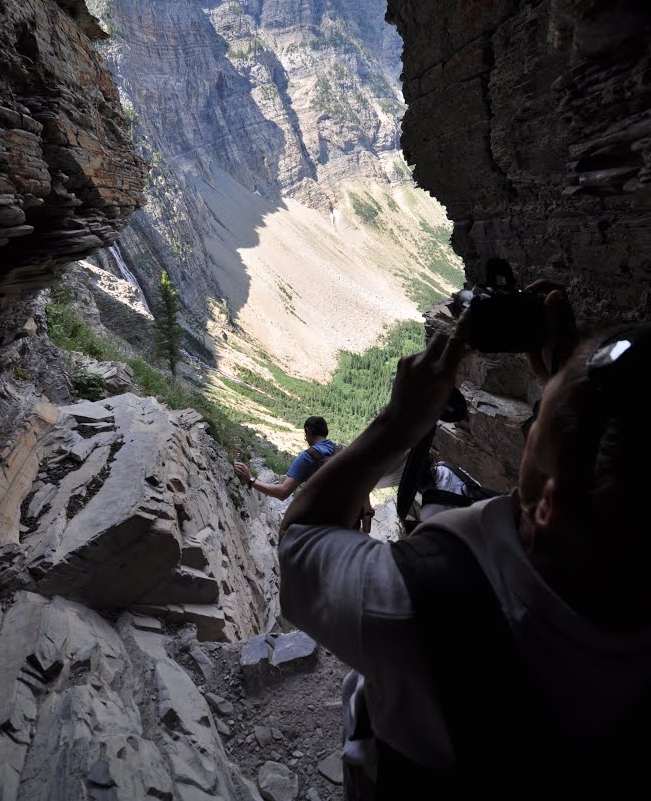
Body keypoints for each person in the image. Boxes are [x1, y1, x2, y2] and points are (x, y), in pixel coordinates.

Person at [277, 291, 651, 788]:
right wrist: (571, 385)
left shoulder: (413, 604)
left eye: (535, 424)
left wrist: (398, 422)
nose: (527, 427)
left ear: (547, 508)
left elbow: (302, 539)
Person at [234, 416, 375, 530]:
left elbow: (283, 492)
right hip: (351, 525)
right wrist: (366, 519)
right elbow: (364, 483)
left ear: (308, 431)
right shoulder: (345, 450)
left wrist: (251, 480)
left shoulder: (308, 456)